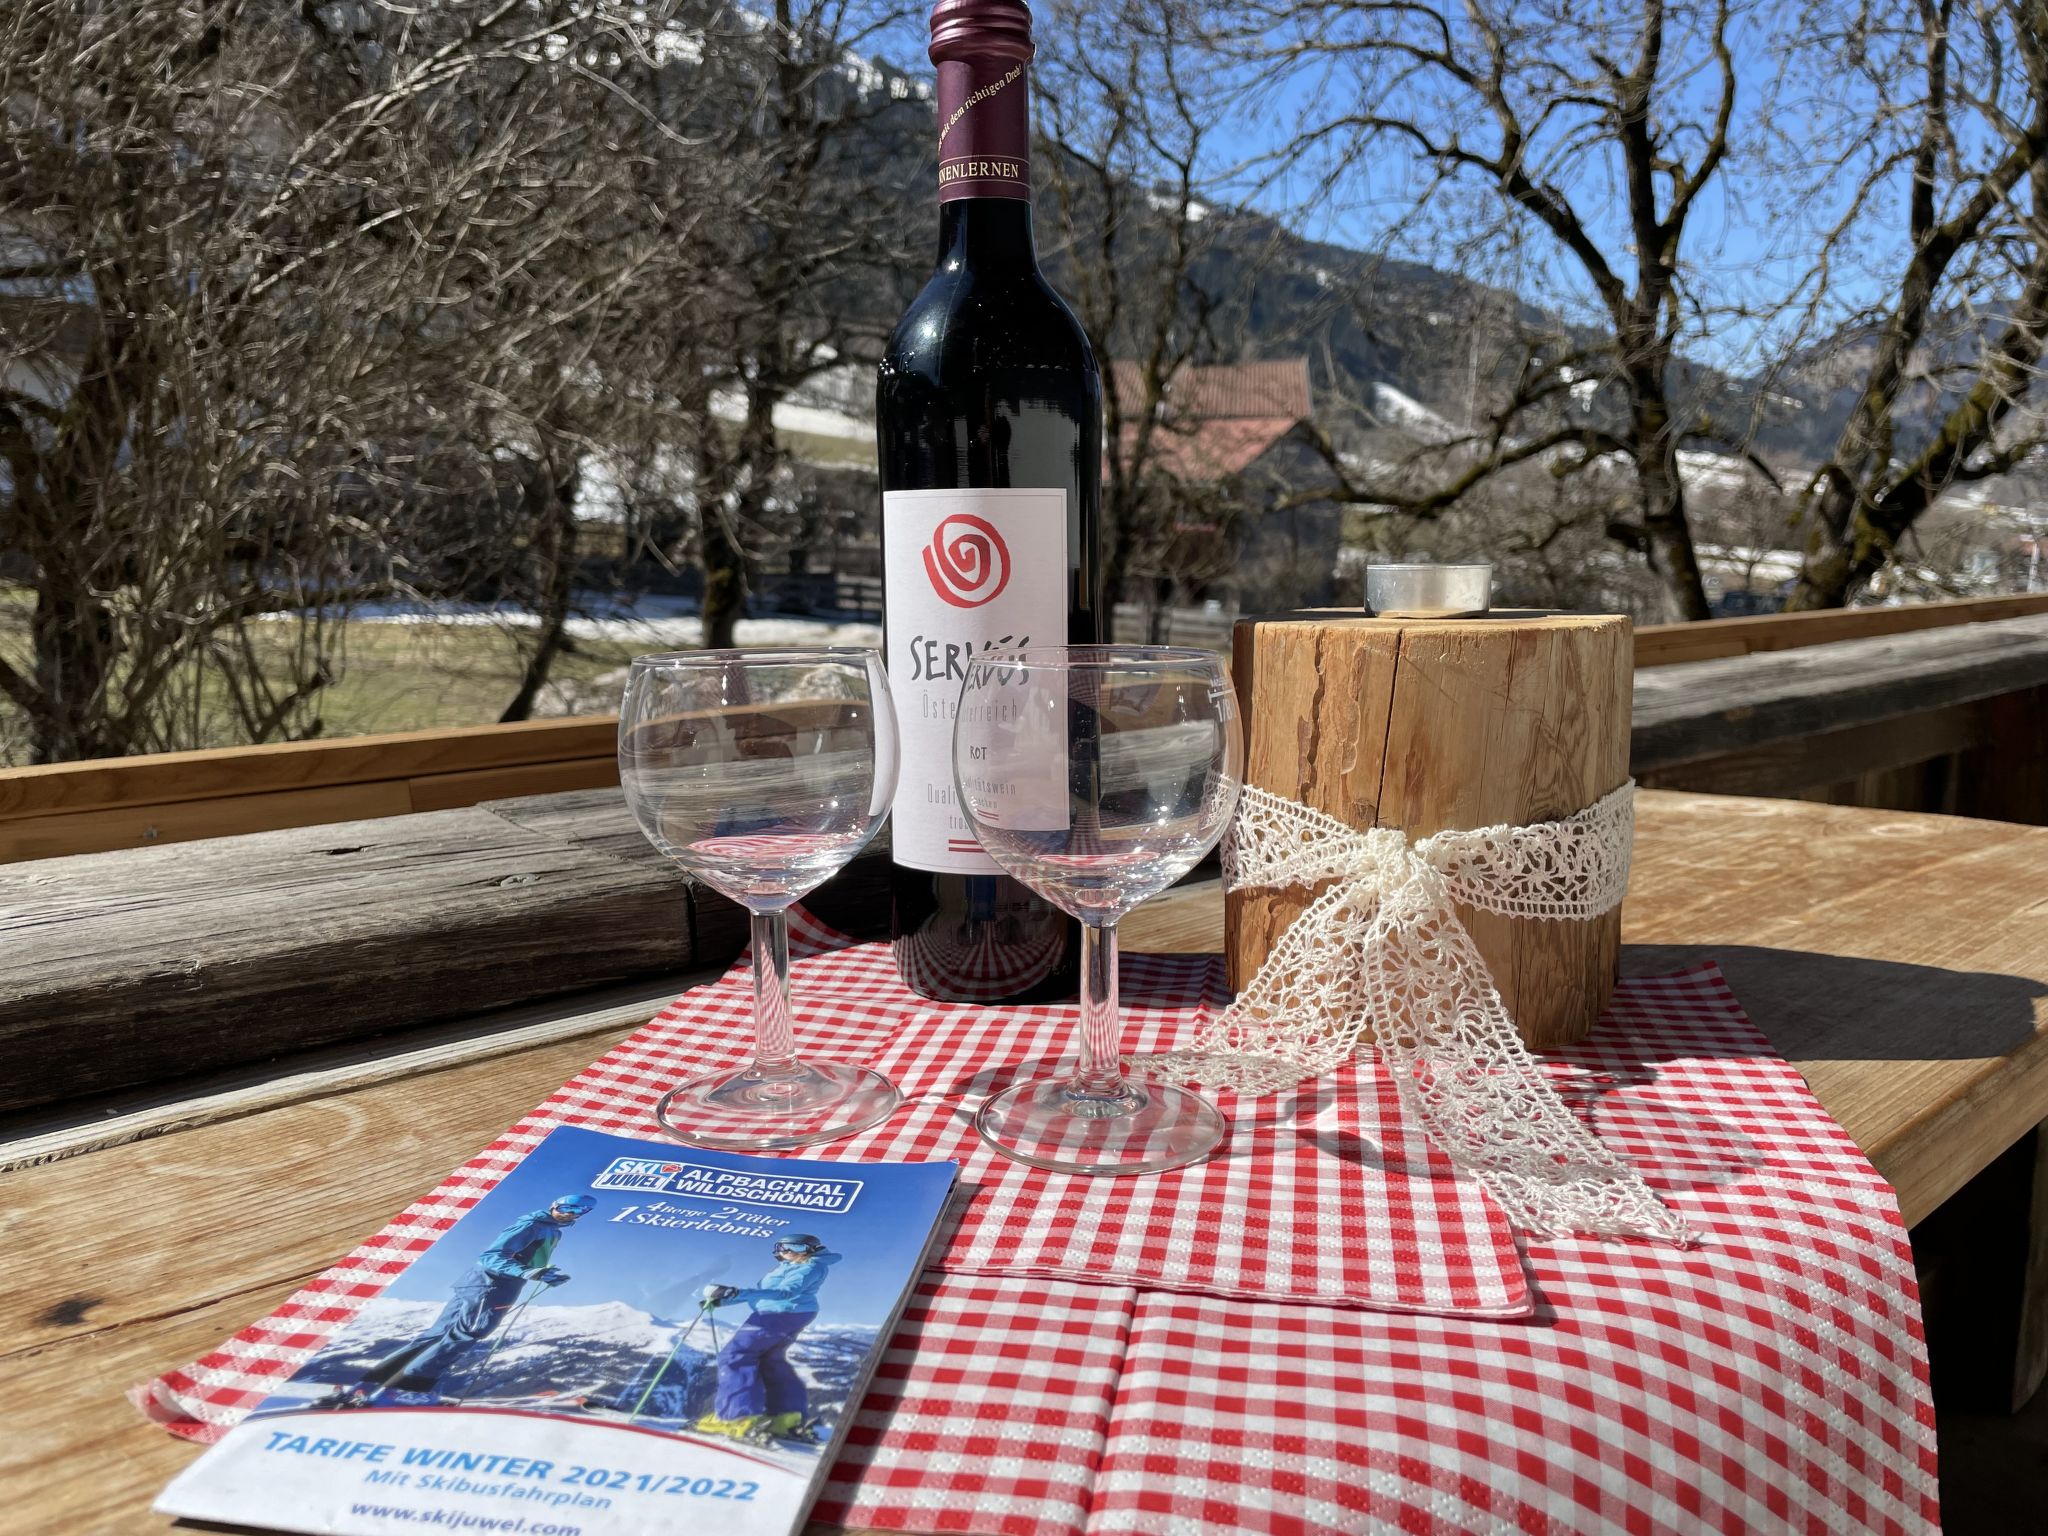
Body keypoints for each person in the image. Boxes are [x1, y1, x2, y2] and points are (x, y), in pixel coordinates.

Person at [335, 1194, 595, 1407]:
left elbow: (527, 1260)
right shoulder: (532, 1225)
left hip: (483, 1284)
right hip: (492, 1286)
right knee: (466, 1334)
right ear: (554, 1204)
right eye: (567, 1206)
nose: (572, 1213)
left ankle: (369, 1386)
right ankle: (407, 1390)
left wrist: (542, 1273)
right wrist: (528, 1272)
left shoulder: (551, 1230)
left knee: (436, 1335)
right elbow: (491, 1256)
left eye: (581, 1210)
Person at [694, 1233, 840, 1442]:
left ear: (810, 1249)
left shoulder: (809, 1267)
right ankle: (784, 1417)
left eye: (795, 1247)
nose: (787, 1252)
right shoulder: (791, 1266)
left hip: (779, 1313)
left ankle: (736, 1417)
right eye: (782, 1247)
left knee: (735, 1355)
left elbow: (784, 1293)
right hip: (785, 1313)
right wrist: (724, 1301)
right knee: (770, 1359)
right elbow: (763, 1294)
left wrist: (735, 1293)